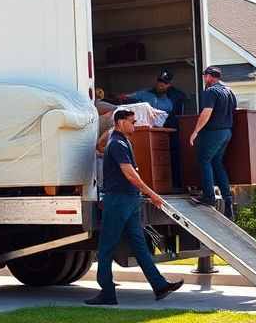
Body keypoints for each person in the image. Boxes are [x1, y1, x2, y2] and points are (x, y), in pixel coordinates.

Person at [85, 109, 184, 306]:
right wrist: (152, 194)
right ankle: (107, 293)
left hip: (127, 201)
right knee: (107, 248)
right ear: (120, 122)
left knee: (136, 247)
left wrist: (112, 128)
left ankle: (159, 285)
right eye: (131, 121)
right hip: (121, 201)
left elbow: (102, 147)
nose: (135, 124)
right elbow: (130, 175)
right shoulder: (118, 144)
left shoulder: (121, 142)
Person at [190, 67, 237, 219]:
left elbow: (207, 112)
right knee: (217, 163)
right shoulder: (229, 91)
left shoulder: (210, 92)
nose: (204, 79)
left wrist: (196, 131)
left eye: (205, 76)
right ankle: (228, 200)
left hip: (213, 132)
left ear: (209, 76)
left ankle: (209, 196)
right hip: (227, 132)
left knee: (204, 160)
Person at [126, 69, 187, 187]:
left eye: (164, 83)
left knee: (173, 158)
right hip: (149, 133)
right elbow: (127, 98)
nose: (160, 84)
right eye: (159, 81)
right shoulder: (146, 94)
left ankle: (175, 184)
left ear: (169, 84)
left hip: (168, 132)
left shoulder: (175, 96)